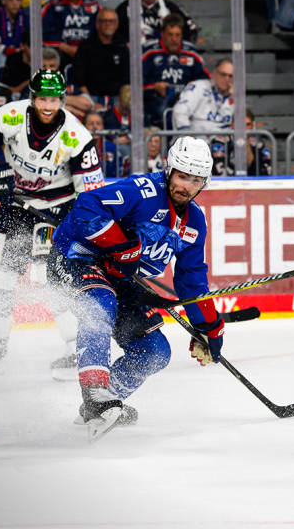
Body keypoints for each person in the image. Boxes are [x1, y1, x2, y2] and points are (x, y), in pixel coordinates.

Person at [47, 136, 224, 439]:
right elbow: (86, 207)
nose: (187, 186)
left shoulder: (195, 222)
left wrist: (208, 325)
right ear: (169, 170)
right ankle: (96, 396)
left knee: (155, 352)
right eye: (182, 176)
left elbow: (191, 278)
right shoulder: (144, 191)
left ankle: (106, 403)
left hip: (120, 278)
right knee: (100, 303)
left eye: (196, 180)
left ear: (204, 182)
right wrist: (122, 246)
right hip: (76, 257)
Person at [0, 69, 106, 378]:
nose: (47, 106)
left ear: (62, 100)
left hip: (56, 210)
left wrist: (77, 223)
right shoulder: (10, 116)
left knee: (51, 276)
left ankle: (74, 347)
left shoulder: (76, 136)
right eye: (42, 99)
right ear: (32, 98)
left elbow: (91, 191)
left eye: (54, 100)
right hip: (16, 205)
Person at [142, 14, 209, 129]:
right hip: (156, 101)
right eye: (170, 35)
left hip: (187, 101)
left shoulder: (191, 53)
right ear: (162, 34)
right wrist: (154, 87)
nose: (174, 39)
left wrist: (195, 85)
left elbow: (207, 82)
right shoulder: (149, 52)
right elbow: (134, 85)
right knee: (164, 111)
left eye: (177, 35)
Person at [117, 0, 199, 45]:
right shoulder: (125, 8)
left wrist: (179, 48)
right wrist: (125, 46)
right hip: (134, 55)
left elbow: (191, 29)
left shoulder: (171, 8)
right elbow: (113, 33)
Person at [42, 0, 100, 67]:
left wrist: (86, 49)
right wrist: (65, 47)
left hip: (89, 51)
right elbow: (43, 34)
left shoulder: (94, 5)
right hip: (61, 52)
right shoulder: (51, 6)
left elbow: (102, 30)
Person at [72, 8, 129, 103]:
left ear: (117, 24)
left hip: (118, 98)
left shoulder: (122, 46)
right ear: (97, 24)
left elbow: (127, 78)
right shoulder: (86, 46)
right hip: (93, 97)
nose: (108, 24)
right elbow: (78, 79)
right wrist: (91, 103)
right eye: (104, 21)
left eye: (111, 21)